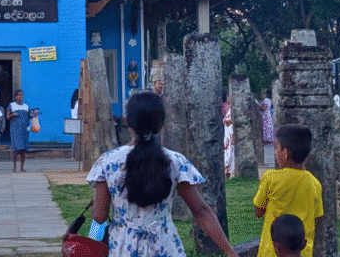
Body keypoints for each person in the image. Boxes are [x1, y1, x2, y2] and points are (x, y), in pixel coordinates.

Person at [87, 91, 238, 257]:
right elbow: (201, 211)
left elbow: (100, 217)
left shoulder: (107, 162)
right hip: (165, 246)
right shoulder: (175, 162)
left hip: (123, 247)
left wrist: (96, 205)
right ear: (160, 124)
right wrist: (229, 252)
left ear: (128, 122)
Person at [254, 124, 323, 257]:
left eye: (276, 148)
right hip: (302, 252)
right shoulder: (314, 183)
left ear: (285, 153)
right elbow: (317, 216)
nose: (275, 152)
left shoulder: (271, 178)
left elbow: (258, 211)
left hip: (273, 251)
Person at [6, 89, 30, 173]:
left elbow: (29, 116)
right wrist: (13, 115)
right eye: (19, 95)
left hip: (24, 129)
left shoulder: (26, 106)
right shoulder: (11, 105)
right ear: (16, 96)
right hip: (15, 129)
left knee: (23, 149)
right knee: (15, 149)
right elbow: (7, 117)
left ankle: (22, 167)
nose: (21, 97)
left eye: (22, 95)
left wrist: (33, 115)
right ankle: (14, 166)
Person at [223, 93, 235, 179]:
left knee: (230, 152)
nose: (228, 99)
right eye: (228, 98)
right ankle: (226, 172)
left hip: (231, 133)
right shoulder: (229, 110)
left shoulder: (233, 110)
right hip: (226, 134)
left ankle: (228, 172)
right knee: (226, 151)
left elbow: (229, 122)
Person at [261, 89, 275, 166]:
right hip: (268, 115)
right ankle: (268, 141)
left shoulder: (266, 100)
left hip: (265, 115)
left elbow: (264, 108)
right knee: (268, 129)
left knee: (266, 129)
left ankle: (267, 141)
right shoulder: (269, 100)